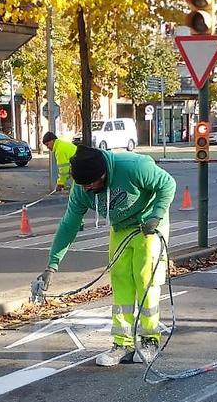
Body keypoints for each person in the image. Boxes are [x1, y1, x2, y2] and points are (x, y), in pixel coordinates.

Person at [34, 145, 176, 366]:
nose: (88, 189)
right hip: (121, 227)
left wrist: (156, 215)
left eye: (91, 183)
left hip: (148, 225)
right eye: (84, 185)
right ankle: (123, 343)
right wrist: (52, 265)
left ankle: (149, 340)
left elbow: (167, 184)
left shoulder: (133, 167)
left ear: (103, 173)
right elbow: (69, 225)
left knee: (145, 278)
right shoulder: (82, 190)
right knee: (120, 281)